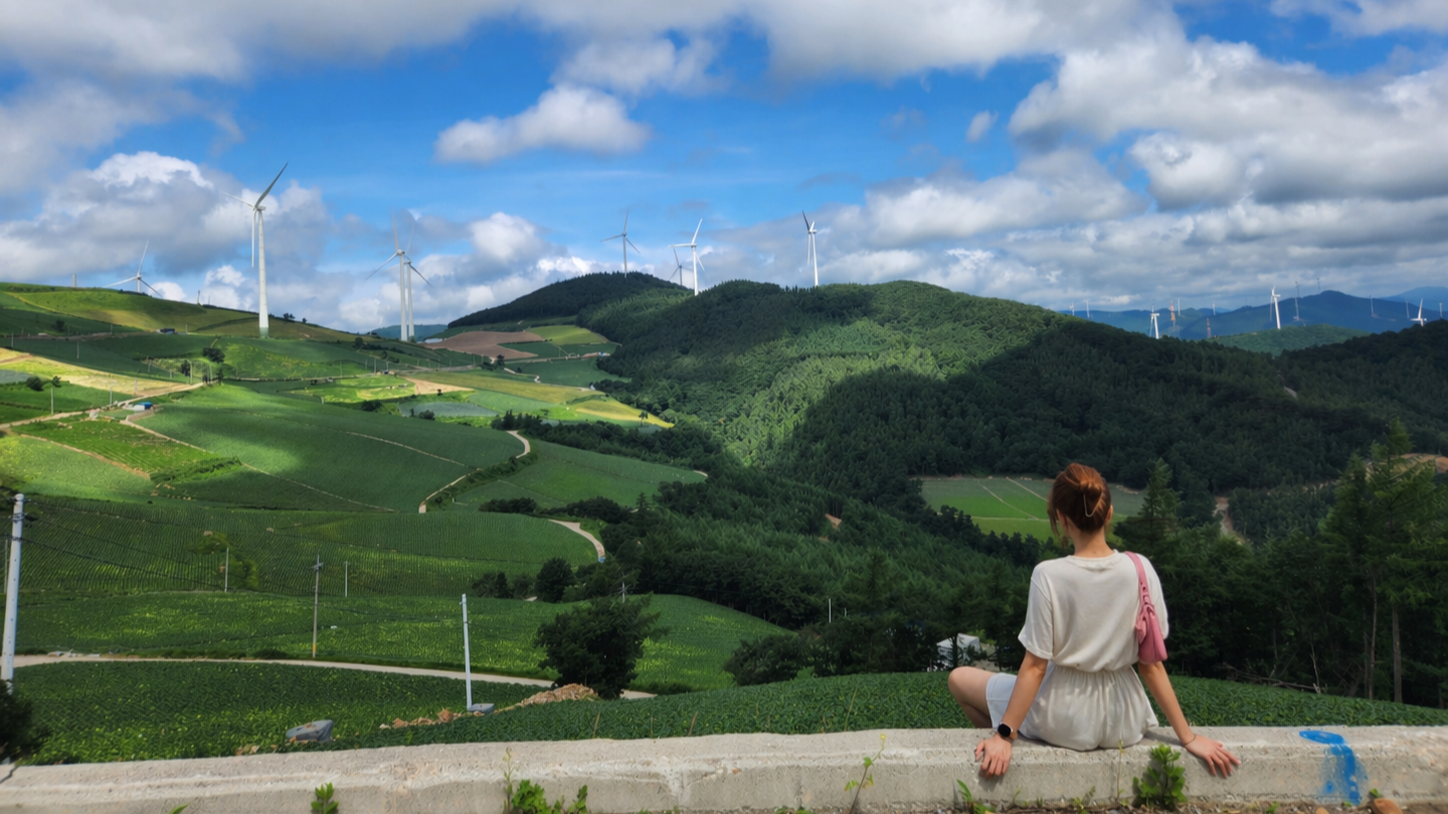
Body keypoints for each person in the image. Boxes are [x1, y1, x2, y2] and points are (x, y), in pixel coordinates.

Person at [947, 463, 1240, 779]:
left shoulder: (1048, 575)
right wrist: (1189, 737)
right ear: (1109, 513)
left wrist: (1003, 734)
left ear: (1061, 518)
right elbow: (1151, 665)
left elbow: (1035, 667)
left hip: (1063, 717)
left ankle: (1003, 752)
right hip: (1124, 720)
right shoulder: (1140, 569)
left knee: (959, 679)